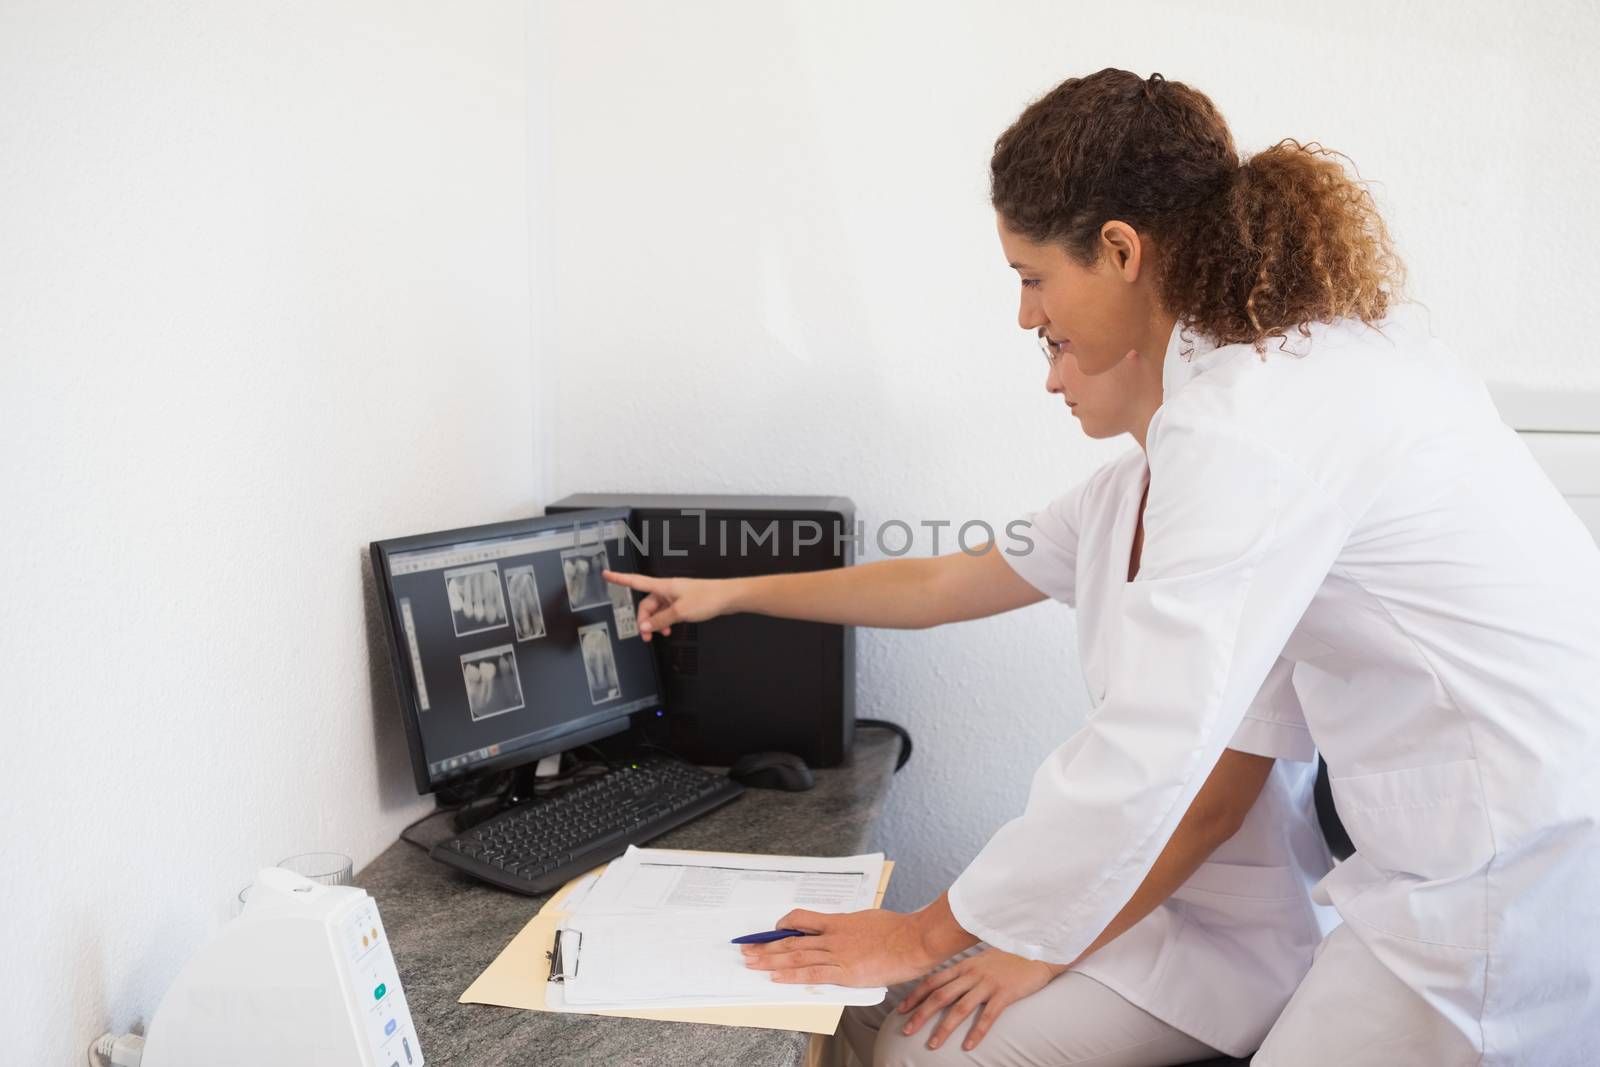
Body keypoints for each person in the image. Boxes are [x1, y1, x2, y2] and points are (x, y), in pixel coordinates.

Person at [608, 69, 1600, 1063]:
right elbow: (945, 580)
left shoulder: (1249, 428)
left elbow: (1151, 747)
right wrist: (728, 590)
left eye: (1033, 279)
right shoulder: (1277, 391)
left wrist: (930, 931)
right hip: (1451, 863)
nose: (1028, 326)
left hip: (1502, 883)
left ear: (1121, 251)